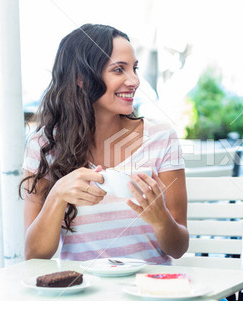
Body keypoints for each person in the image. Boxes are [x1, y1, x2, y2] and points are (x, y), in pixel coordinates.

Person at [19, 24, 189, 264]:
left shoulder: (161, 137)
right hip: (80, 294)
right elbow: (34, 254)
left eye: (135, 68)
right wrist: (57, 195)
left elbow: (179, 248)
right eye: (119, 70)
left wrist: (162, 219)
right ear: (80, 78)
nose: (134, 81)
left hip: (148, 291)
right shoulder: (44, 145)